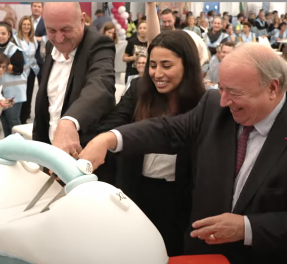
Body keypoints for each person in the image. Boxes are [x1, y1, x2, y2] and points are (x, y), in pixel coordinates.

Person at [80, 42, 287, 264]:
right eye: (222, 88)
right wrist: (109, 139)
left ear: (272, 89)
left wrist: (247, 228)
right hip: (202, 253)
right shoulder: (214, 105)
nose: (225, 101)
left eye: (234, 92)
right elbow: (166, 131)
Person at [84, 30, 205, 256]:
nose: (157, 73)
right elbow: (111, 125)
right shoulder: (140, 90)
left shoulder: (202, 102)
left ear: (187, 65)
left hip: (179, 199)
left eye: (166, 66)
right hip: (133, 191)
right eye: (152, 65)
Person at [33, 2, 115, 156]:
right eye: (51, 30)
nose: (59, 38)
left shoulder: (99, 44)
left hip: (85, 156)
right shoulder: (52, 46)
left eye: (66, 29)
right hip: (50, 153)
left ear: (82, 19)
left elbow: (101, 86)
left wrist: (70, 121)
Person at [0, 22, 26, 137]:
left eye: (3, 33)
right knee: (3, 121)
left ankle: (20, 147)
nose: (0, 36)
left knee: (13, 121)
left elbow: (19, 69)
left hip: (14, 92)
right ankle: (8, 147)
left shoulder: (16, 50)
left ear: (9, 34)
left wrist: (0, 66)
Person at [14, 16, 40, 124]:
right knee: (20, 94)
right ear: (20, 26)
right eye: (24, 24)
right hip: (20, 71)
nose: (26, 26)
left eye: (28, 25)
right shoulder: (16, 39)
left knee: (29, 93)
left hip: (31, 70)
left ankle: (25, 116)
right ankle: (19, 117)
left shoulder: (34, 40)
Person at [31, 2, 46, 87]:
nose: (36, 8)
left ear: (42, 9)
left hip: (41, 58)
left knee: (42, 86)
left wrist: (36, 38)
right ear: (31, 7)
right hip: (27, 60)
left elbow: (49, 38)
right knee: (27, 88)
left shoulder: (46, 22)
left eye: (39, 7)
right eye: (34, 6)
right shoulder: (26, 21)